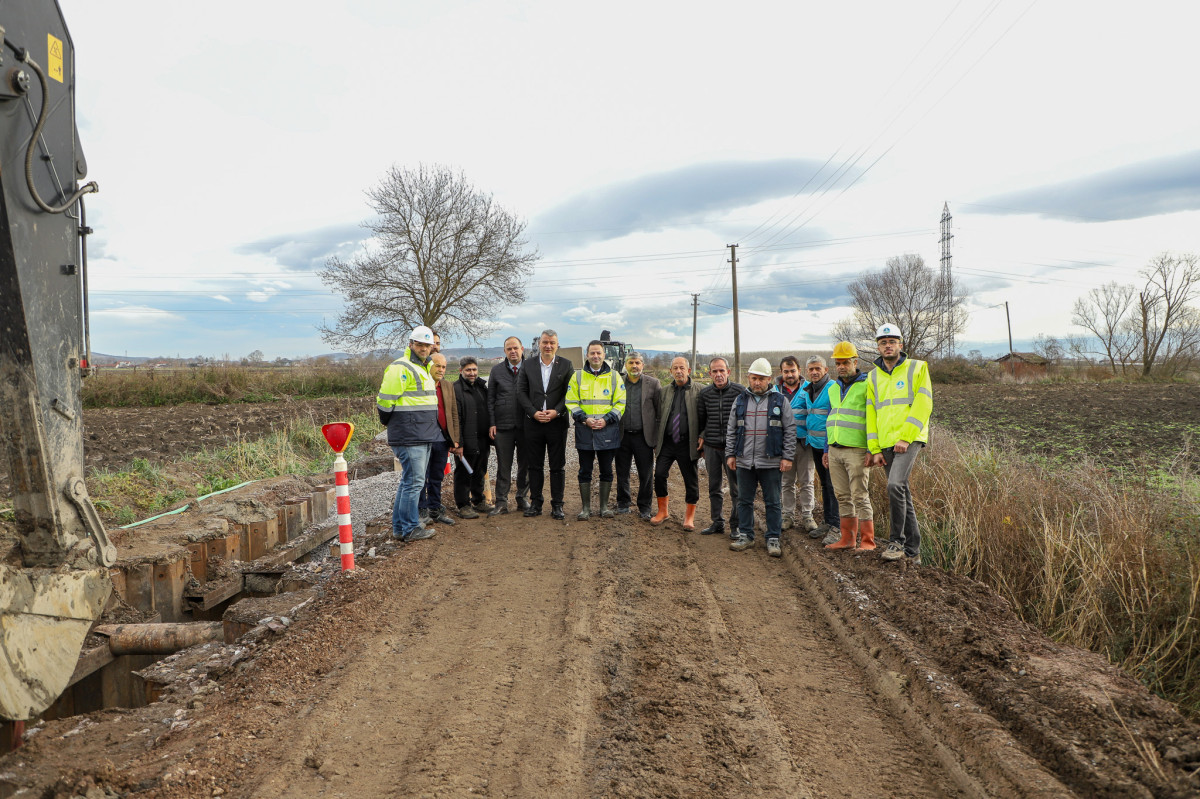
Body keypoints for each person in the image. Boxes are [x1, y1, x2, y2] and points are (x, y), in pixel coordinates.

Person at [866, 323, 933, 564]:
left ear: (900, 345)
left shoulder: (917, 368)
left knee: (895, 485)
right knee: (902, 490)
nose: (887, 345)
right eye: (883, 342)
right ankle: (914, 552)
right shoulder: (872, 376)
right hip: (885, 443)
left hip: (909, 439)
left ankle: (896, 540)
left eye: (892, 341)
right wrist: (874, 449)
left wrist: (906, 437)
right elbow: (871, 414)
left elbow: (924, 404)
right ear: (878, 346)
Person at [377, 325, 441, 543]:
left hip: (421, 433)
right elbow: (384, 403)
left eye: (427, 345)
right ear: (411, 344)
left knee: (409, 482)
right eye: (420, 344)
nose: (423, 348)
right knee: (414, 483)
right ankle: (410, 528)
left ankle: (400, 527)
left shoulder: (425, 367)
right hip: (409, 435)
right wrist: (392, 424)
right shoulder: (400, 367)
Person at [726, 358, 796, 556]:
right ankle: (746, 535)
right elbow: (731, 430)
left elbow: (790, 430)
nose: (757, 382)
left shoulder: (780, 400)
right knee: (744, 500)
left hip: (771, 461)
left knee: (773, 501)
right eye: (754, 378)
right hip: (745, 461)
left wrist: (787, 457)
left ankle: (773, 538)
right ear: (748, 377)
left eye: (762, 379)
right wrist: (730, 454)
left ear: (769, 379)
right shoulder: (740, 400)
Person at [566, 341, 626, 520]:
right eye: (592, 353)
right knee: (585, 470)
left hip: (607, 432)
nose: (596, 356)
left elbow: (621, 403)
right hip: (585, 431)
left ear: (604, 355)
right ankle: (585, 509)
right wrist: (585, 419)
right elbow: (571, 402)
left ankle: (604, 507)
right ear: (587, 355)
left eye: (599, 353)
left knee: (606, 470)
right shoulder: (577, 377)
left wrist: (606, 420)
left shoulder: (615, 377)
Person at [517, 329, 574, 519]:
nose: (548, 346)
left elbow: (570, 393)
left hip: (556, 423)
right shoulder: (528, 365)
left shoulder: (566, 365)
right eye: (545, 342)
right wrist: (533, 412)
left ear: (557, 345)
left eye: (552, 342)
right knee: (534, 465)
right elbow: (521, 392)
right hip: (533, 423)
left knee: (557, 466)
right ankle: (536, 503)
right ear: (539, 344)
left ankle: (557, 504)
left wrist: (557, 411)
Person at [823, 342, 874, 551]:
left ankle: (868, 541)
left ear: (855, 362)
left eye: (845, 362)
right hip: (835, 449)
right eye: (838, 363)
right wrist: (827, 449)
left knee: (860, 495)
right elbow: (831, 418)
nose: (841, 366)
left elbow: (873, 419)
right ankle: (847, 539)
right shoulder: (833, 388)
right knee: (842, 496)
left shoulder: (867, 385)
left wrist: (873, 449)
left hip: (857, 450)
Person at [696, 357, 745, 536]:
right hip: (711, 447)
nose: (718, 375)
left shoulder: (740, 392)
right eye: (714, 371)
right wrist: (701, 439)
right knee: (714, 487)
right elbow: (701, 421)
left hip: (733, 450)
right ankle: (717, 522)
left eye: (721, 371)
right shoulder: (705, 394)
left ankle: (736, 525)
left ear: (728, 372)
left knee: (736, 489)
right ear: (710, 374)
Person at [650, 357, 701, 530]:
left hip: (688, 443)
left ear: (689, 370)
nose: (678, 371)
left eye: (682, 368)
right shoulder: (664, 391)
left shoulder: (700, 390)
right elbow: (658, 417)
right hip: (667, 443)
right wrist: (656, 439)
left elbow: (706, 417)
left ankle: (689, 517)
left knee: (690, 480)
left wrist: (703, 436)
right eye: (675, 368)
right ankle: (663, 511)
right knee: (659, 475)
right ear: (670, 371)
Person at [615, 352, 661, 520]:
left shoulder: (653, 384)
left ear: (643, 365)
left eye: (637, 363)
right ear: (625, 365)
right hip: (622, 435)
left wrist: (657, 438)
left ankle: (645, 506)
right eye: (631, 363)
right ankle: (623, 503)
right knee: (622, 471)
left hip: (644, 436)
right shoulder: (617, 382)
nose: (634, 366)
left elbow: (659, 412)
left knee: (646, 473)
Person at [487, 336, 529, 516]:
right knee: (504, 466)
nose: (513, 351)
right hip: (503, 427)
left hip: (526, 426)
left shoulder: (531, 369)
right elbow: (490, 399)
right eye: (509, 349)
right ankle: (501, 502)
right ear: (505, 351)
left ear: (522, 349)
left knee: (525, 465)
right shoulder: (496, 371)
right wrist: (492, 423)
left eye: (515, 348)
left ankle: (522, 498)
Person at [418, 353, 459, 529]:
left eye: (443, 367)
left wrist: (455, 439)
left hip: (442, 438)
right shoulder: (419, 385)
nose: (441, 370)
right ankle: (421, 510)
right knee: (421, 477)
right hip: (423, 439)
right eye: (437, 366)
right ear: (429, 366)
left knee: (437, 476)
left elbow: (453, 413)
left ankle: (435, 508)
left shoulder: (448, 386)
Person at [774, 355, 814, 533]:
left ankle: (808, 516)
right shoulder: (774, 390)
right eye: (786, 371)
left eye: (793, 371)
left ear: (799, 371)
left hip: (804, 443)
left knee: (807, 481)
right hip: (783, 446)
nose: (789, 375)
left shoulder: (809, 389)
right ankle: (787, 515)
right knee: (786, 482)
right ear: (781, 372)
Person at [799, 356, 837, 538]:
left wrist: (829, 447)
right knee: (824, 484)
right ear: (807, 372)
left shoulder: (832, 388)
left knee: (832, 485)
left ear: (826, 370)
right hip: (814, 445)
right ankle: (828, 521)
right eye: (811, 369)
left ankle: (835, 525)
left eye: (818, 368)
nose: (814, 372)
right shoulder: (808, 390)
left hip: (829, 446)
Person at [452, 356, 494, 518]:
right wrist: (458, 442)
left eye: (474, 370)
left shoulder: (481, 387)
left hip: (482, 438)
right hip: (466, 440)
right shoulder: (456, 390)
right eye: (468, 370)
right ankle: (463, 505)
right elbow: (456, 419)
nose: (472, 373)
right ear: (461, 370)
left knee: (480, 470)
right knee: (464, 472)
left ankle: (478, 500)